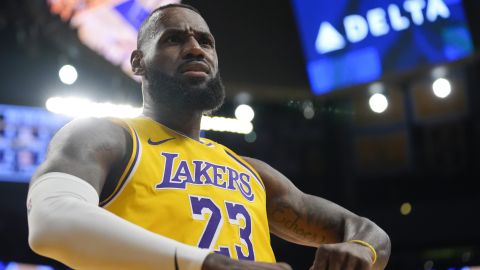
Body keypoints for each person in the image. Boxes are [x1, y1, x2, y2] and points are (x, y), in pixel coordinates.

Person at [26, 4, 391, 270]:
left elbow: (368, 231)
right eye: (173, 39)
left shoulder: (252, 172)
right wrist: (211, 265)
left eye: (205, 41)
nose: (195, 47)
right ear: (138, 62)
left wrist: (360, 248)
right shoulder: (107, 136)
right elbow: (50, 221)